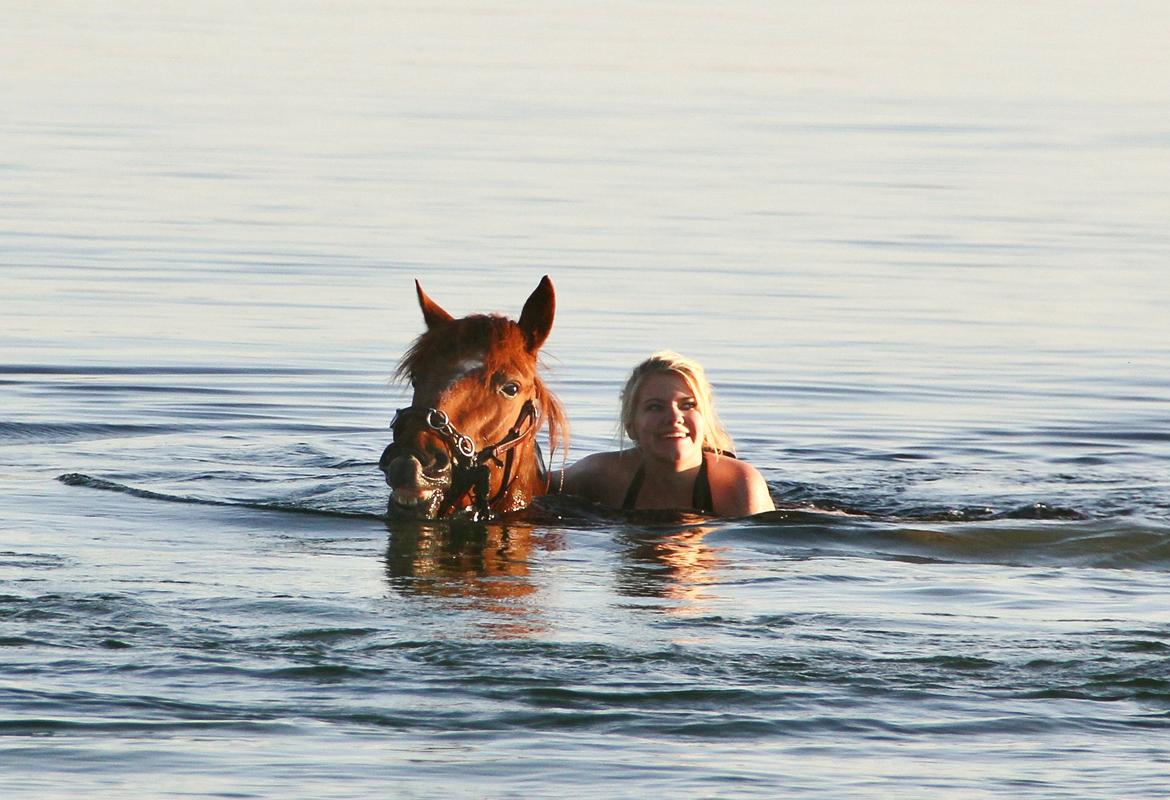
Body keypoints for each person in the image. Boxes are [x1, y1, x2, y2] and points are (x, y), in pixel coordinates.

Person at [560, 351, 775, 517]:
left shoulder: (738, 486)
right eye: (655, 407)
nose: (674, 418)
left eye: (688, 405)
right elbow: (535, 483)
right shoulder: (601, 475)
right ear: (631, 425)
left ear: (705, 418)